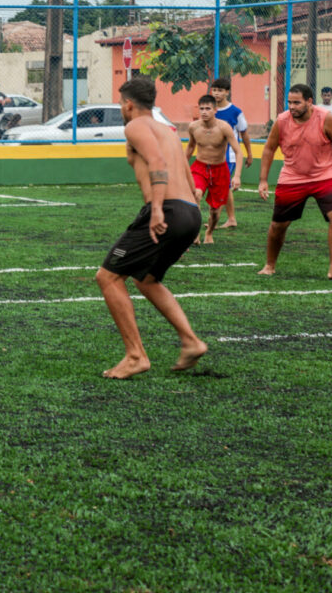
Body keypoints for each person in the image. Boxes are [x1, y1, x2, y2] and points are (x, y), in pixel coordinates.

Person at [96, 75, 208, 380]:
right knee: (146, 279)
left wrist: (157, 209)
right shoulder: (168, 130)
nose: (121, 108)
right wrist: (190, 225)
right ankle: (191, 341)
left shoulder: (135, 126)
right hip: (188, 212)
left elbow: (158, 164)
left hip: (166, 209)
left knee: (107, 277)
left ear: (129, 104)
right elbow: (187, 177)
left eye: (121, 103)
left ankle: (135, 356)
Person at [257, 84, 332, 280]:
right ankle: (269, 265)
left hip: (325, 175)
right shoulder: (282, 121)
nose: (292, 107)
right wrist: (263, 180)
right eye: (289, 102)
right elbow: (269, 149)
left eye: (297, 102)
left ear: (309, 102)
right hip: (292, 177)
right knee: (279, 225)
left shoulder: (326, 119)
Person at [185, 93, 242, 245]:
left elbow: (238, 151)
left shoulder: (224, 127)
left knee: (215, 211)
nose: (204, 112)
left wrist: (236, 176)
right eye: (201, 108)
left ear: (215, 110)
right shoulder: (193, 127)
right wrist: (182, 167)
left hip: (220, 170)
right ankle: (195, 232)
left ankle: (209, 232)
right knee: (196, 194)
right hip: (200, 167)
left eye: (208, 108)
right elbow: (190, 147)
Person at [209, 77, 252, 228]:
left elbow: (244, 134)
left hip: (230, 157)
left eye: (220, 90)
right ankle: (232, 219)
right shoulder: (209, 110)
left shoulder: (235, 112)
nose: (216, 93)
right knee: (224, 187)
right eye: (214, 90)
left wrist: (249, 154)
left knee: (221, 187)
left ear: (227, 92)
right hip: (212, 156)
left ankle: (213, 220)